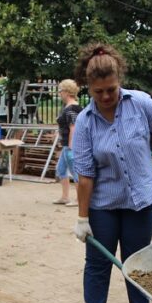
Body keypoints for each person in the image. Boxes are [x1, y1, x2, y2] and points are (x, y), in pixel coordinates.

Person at [71, 42, 152, 303]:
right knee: (98, 262)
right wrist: (82, 217)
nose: (106, 97)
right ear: (88, 88)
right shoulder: (85, 122)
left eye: (111, 89)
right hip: (104, 204)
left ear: (119, 81)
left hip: (141, 200)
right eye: (99, 92)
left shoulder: (141, 104)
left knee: (137, 260)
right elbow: (85, 175)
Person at [52, 79, 83, 207]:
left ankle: (80, 200)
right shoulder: (68, 107)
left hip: (70, 146)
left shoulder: (72, 108)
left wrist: (71, 147)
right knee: (61, 170)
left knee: (76, 172)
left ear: (66, 92)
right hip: (66, 144)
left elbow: (73, 128)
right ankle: (65, 197)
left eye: (60, 91)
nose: (59, 93)